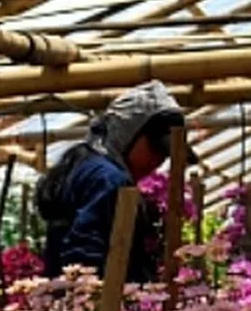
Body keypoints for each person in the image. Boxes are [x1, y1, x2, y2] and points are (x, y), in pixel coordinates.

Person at [36, 80, 195, 284]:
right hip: (93, 303)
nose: (158, 161)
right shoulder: (109, 179)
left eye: (165, 155)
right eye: (155, 148)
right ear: (128, 133)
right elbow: (85, 250)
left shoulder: (83, 163)